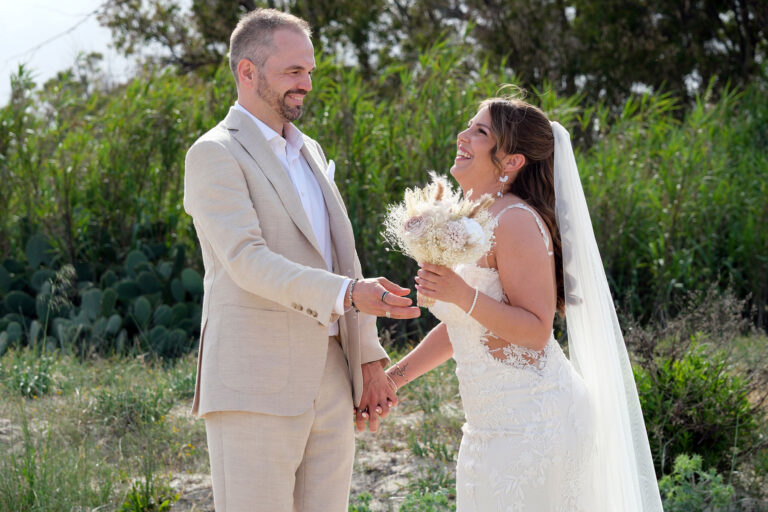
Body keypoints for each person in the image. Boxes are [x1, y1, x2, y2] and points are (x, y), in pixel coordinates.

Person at [183, 9, 419, 512]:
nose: (306, 83)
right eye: (293, 71)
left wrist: (368, 357)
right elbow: (247, 260)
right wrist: (350, 294)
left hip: (332, 382)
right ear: (248, 72)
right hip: (254, 385)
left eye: (309, 71)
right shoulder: (214, 153)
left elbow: (341, 256)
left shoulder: (309, 149)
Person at [385, 96, 663, 511]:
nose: (463, 136)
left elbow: (535, 331)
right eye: (469, 125)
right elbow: (466, 324)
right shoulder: (473, 221)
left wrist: (461, 294)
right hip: (489, 427)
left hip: (535, 424)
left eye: (480, 132)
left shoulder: (514, 219)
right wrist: (394, 378)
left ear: (512, 161)